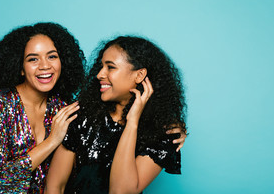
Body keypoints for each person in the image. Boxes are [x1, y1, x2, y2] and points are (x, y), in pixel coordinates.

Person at [46, 36, 187, 194]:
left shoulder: (162, 134)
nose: (99, 74)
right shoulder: (82, 117)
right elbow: (54, 187)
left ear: (139, 75)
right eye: (101, 67)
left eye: (110, 67)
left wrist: (132, 122)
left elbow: (121, 191)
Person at [0, 22, 85, 193]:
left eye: (52, 56)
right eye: (33, 59)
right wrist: (52, 141)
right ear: (20, 68)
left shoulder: (62, 108)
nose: (44, 66)